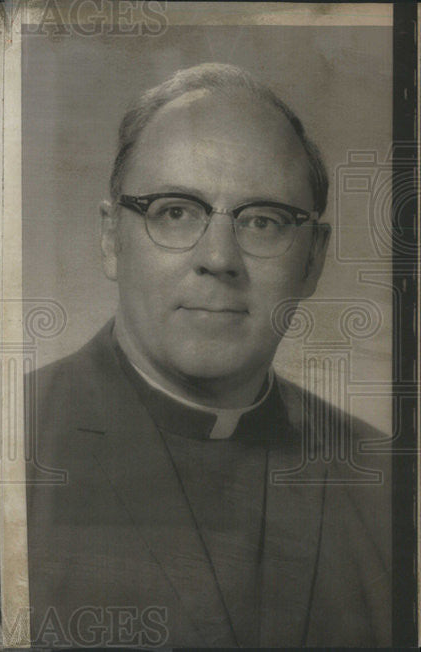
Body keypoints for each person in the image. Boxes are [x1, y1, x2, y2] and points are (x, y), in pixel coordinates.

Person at [26, 63, 392, 647]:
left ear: (313, 260)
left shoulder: (394, 481)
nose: (219, 258)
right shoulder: (13, 444)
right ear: (109, 239)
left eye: (265, 221)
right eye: (175, 211)